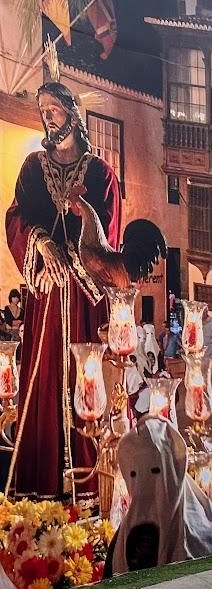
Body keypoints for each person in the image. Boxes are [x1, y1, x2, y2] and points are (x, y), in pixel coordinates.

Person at [4, 82, 121, 499]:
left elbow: (107, 235)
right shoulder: (33, 168)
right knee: (45, 379)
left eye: (54, 108)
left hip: (83, 302)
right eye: (43, 110)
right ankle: (42, 489)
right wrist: (41, 242)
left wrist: (79, 229)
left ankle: (89, 488)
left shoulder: (101, 173)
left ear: (73, 112)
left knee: (83, 380)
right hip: (47, 295)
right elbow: (16, 216)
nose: (48, 116)